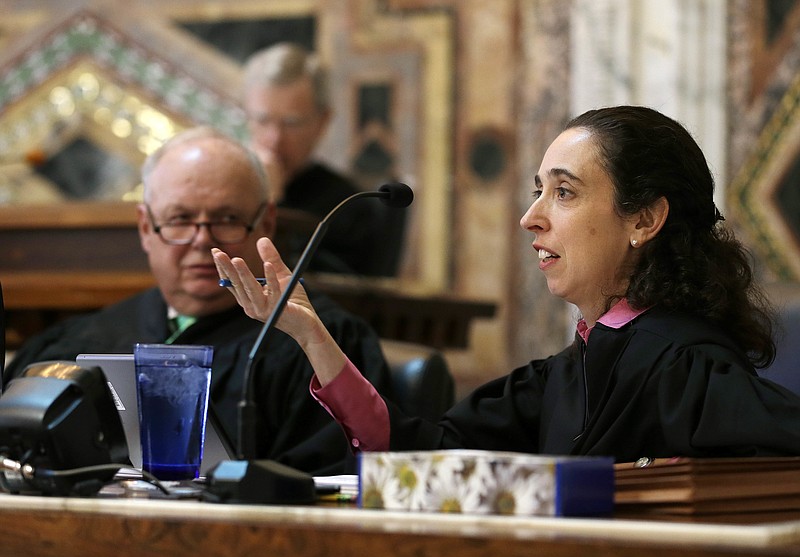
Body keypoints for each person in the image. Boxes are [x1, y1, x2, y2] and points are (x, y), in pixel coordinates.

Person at [214, 105, 800, 462]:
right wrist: (313, 338)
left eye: (563, 193)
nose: (531, 217)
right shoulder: (569, 370)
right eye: (537, 190)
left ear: (644, 219)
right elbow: (423, 451)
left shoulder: (683, 366)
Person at [4, 126, 392, 475]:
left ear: (267, 224)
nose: (202, 240)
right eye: (179, 218)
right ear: (145, 227)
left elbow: (333, 484)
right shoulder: (79, 339)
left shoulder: (321, 343)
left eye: (227, 218)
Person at [243, 42, 401, 276]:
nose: (274, 139)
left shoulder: (349, 205)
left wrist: (273, 203)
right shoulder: (226, 187)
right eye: (263, 120)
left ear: (322, 121)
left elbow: (323, 292)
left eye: (291, 123)